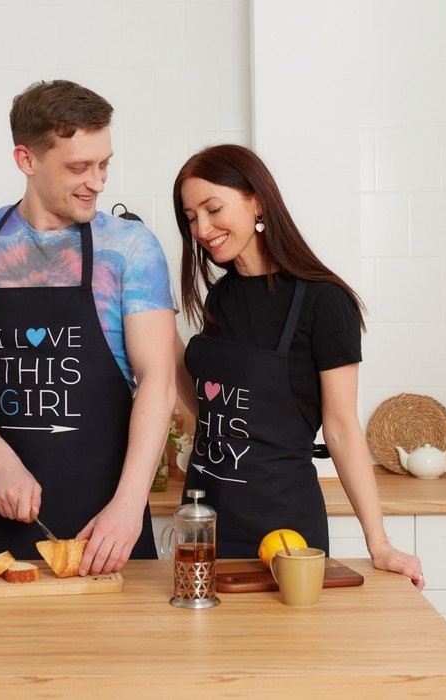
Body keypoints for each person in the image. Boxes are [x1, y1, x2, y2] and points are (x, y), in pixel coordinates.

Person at [0, 80, 176, 575]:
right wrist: (3, 465)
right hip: (2, 506)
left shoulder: (130, 248)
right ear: (27, 159)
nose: (96, 182)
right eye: (79, 167)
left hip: (109, 519)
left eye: (104, 164)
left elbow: (159, 381)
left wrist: (129, 505)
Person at [172, 144, 424, 589]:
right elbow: (212, 408)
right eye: (191, 217)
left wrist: (379, 543)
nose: (202, 229)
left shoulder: (325, 302)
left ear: (257, 201)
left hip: (284, 529)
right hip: (204, 522)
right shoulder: (221, 297)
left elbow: (341, 429)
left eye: (213, 209)